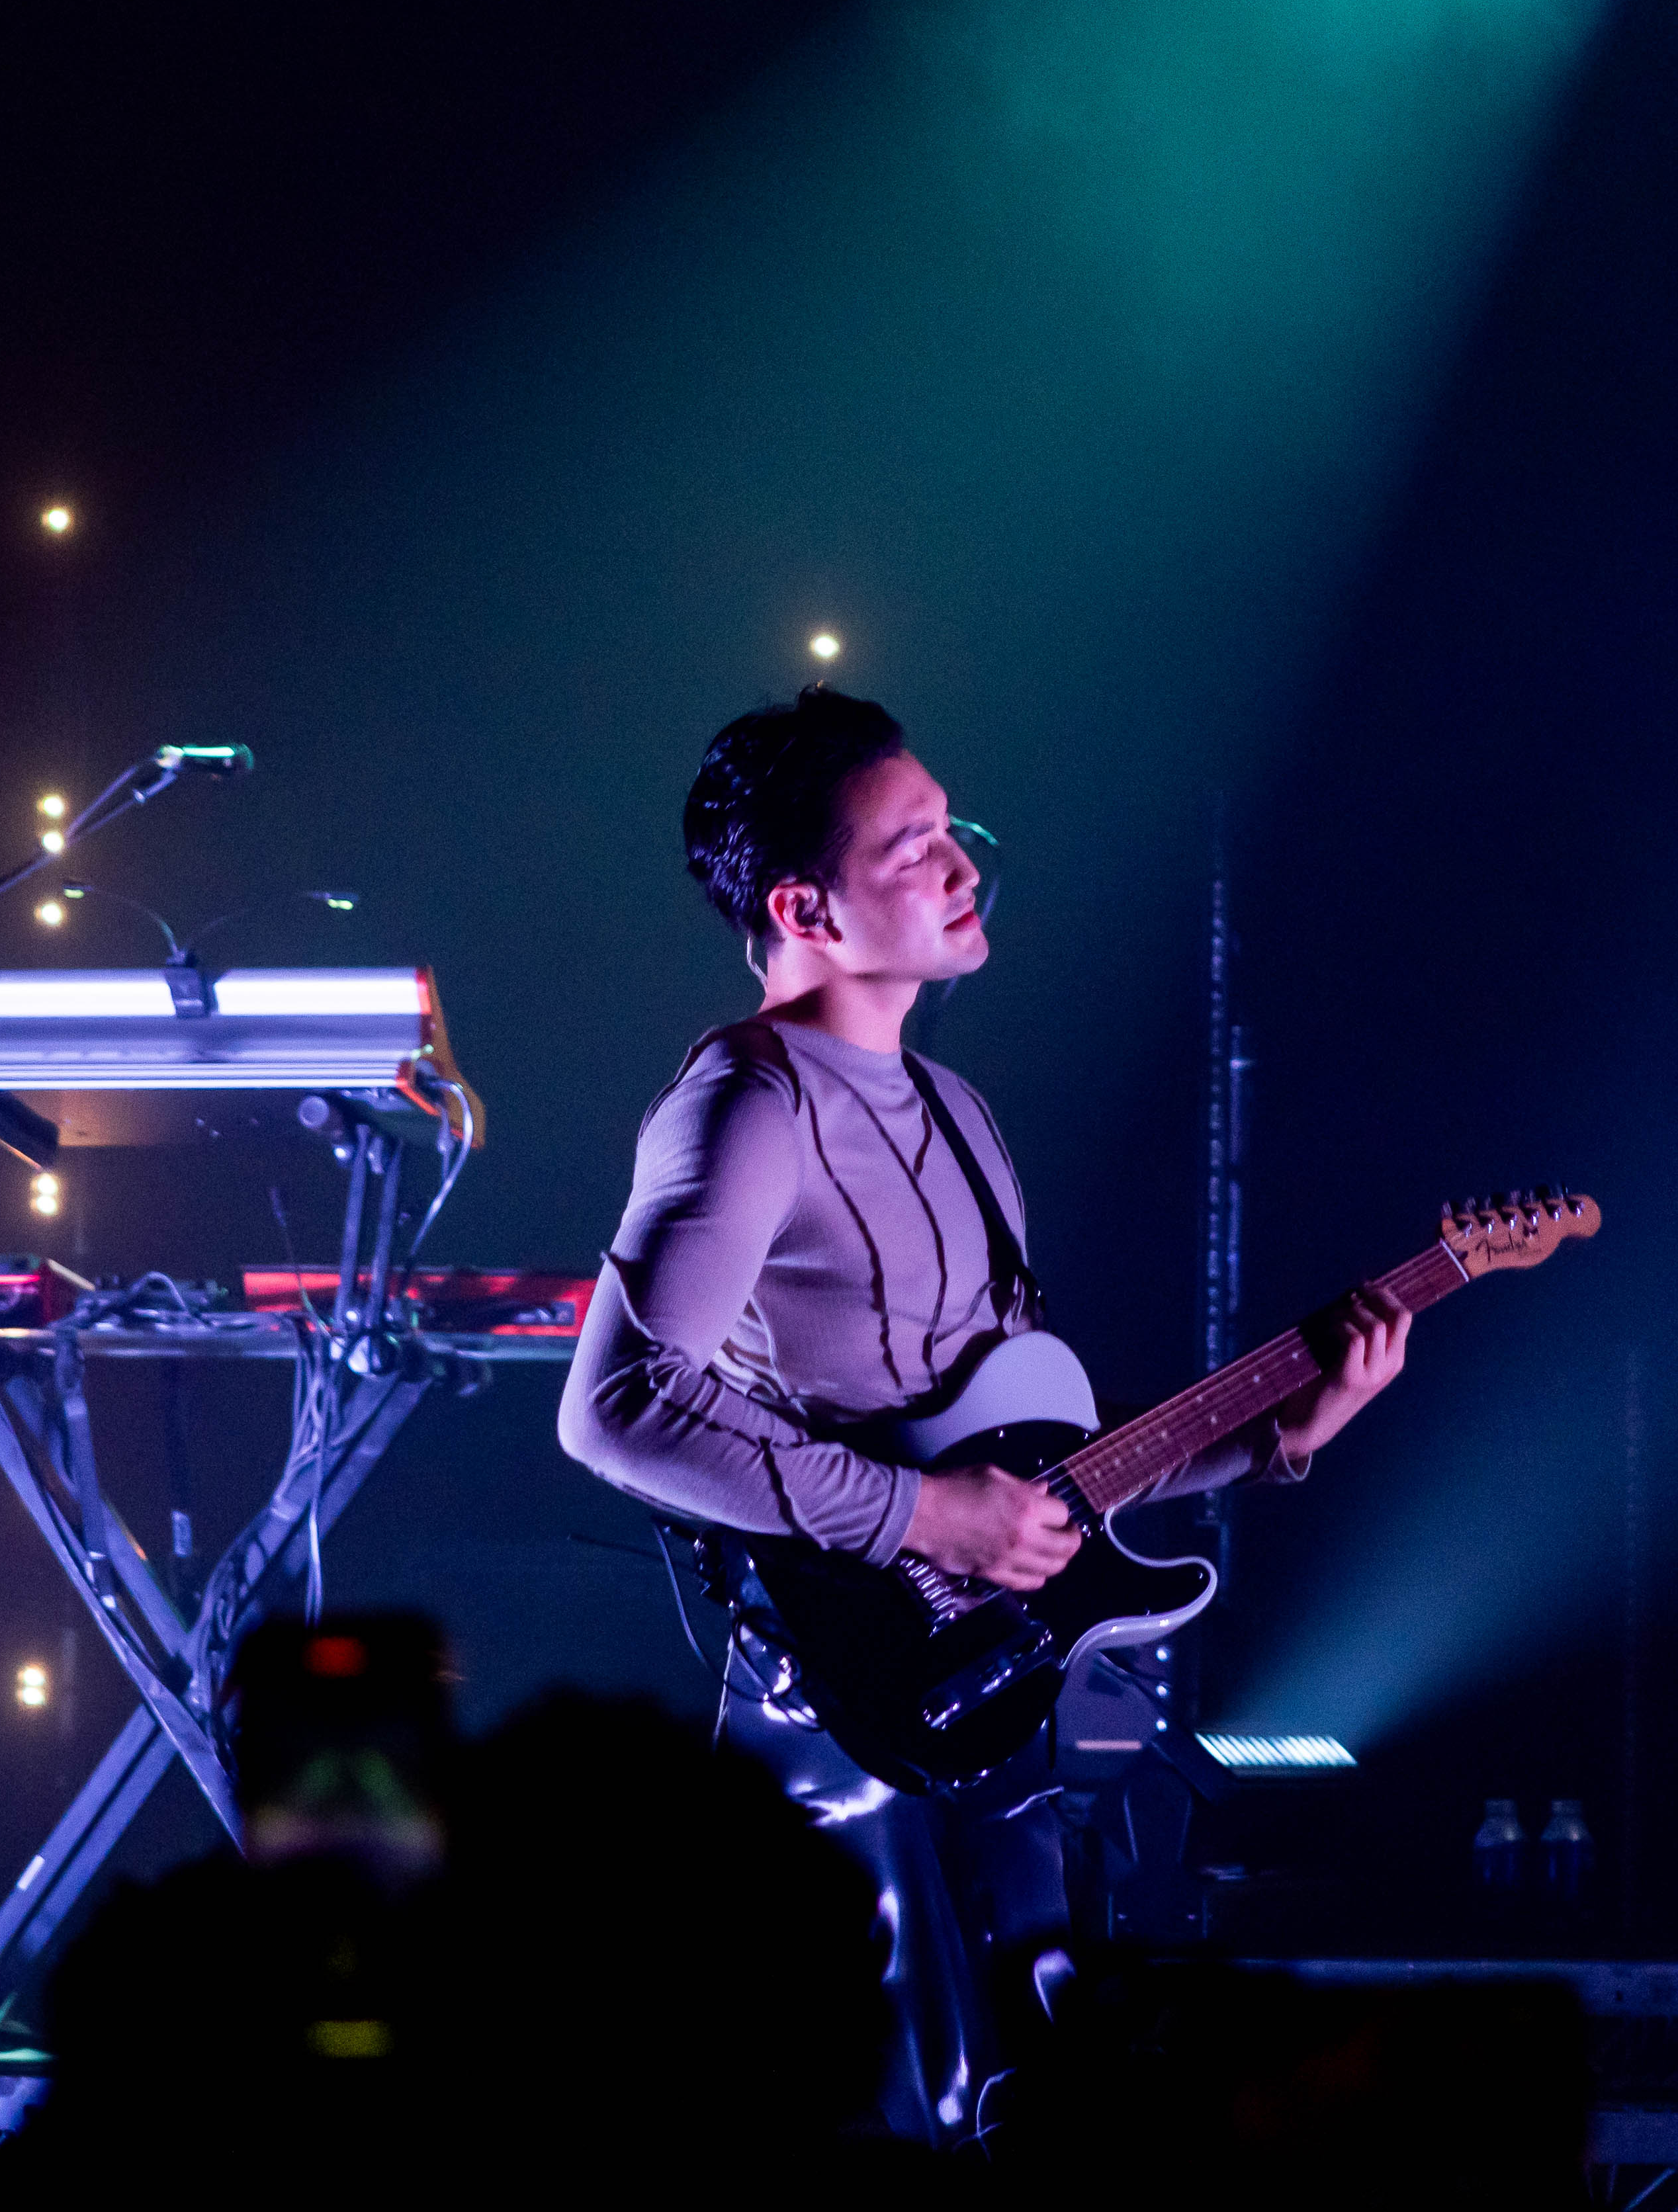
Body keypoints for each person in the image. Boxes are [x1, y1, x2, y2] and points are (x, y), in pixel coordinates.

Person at [556, 685, 1409, 2141]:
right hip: (840, 1725)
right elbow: (616, 1408)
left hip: (992, 1710)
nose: (962, 868)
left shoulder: (955, 1105)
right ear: (805, 907)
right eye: (913, 847)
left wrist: (1283, 1432)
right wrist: (920, 1514)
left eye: (956, 831)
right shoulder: (748, 1103)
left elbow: (1032, 1466)